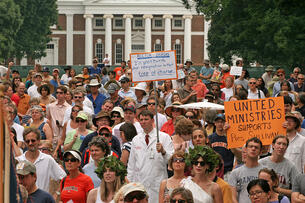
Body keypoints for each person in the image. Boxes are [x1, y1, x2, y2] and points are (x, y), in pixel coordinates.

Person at [127, 110, 174, 203]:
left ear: (152, 120)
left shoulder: (164, 137)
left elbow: (172, 161)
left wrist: (163, 151)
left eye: (146, 119)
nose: (143, 122)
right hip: (139, 184)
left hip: (158, 183)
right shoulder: (136, 139)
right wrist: (130, 184)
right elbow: (131, 165)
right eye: (141, 120)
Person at [16, 127, 66, 194]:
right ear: (24, 143)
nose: (30, 143)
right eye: (28, 141)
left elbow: (63, 178)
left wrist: (56, 194)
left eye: (33, 140)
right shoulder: (19, 160)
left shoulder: (48, 159)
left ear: (39, 141)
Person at [229, 137, 264, 203]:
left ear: (260, 152)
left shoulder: (265, 171)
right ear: (246, 149)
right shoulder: (235, 173)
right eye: (251, 146)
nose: (253, 149)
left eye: (256, 147)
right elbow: (232, 197)